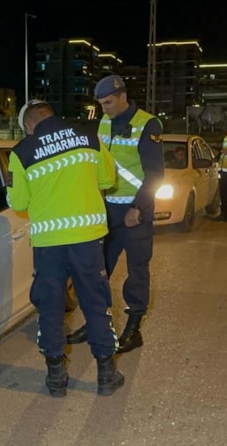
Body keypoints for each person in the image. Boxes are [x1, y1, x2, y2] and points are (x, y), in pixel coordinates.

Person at [7, 99, 123, 397]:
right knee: (95, 303)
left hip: (49, 246)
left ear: (29, 125)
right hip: (88, 240)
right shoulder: (89, 137)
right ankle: (106, 375)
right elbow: (108, 180)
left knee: (50, 307)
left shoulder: (22, 152)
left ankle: (56, 379)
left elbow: (18, 202)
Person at [67, 74, 164, 354]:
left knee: (137, 272)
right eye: (101, 104)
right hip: (106, 211)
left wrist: (138, 207)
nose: (104, 108)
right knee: (98, 271)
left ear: (123, 97)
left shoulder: (147, 124)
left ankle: (133, 330)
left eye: (108, 102)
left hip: (134, 214)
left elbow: (155, 173)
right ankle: (95, 323)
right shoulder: (105, 122)